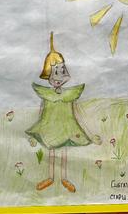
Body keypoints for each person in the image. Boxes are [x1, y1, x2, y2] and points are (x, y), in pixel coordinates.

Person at [25, 32, 101, 193]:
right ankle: (50, 178)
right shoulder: (47, 94)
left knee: (64, 153)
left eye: (62, 71)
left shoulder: (69, 94)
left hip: (67, 128)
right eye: (55, 72)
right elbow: (41, 115)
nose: (59, 77)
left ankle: (64, 178)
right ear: (48, 75)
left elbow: (77, 113)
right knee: (52, 153)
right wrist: (35, 134)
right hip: (51, 129)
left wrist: (89, 133)